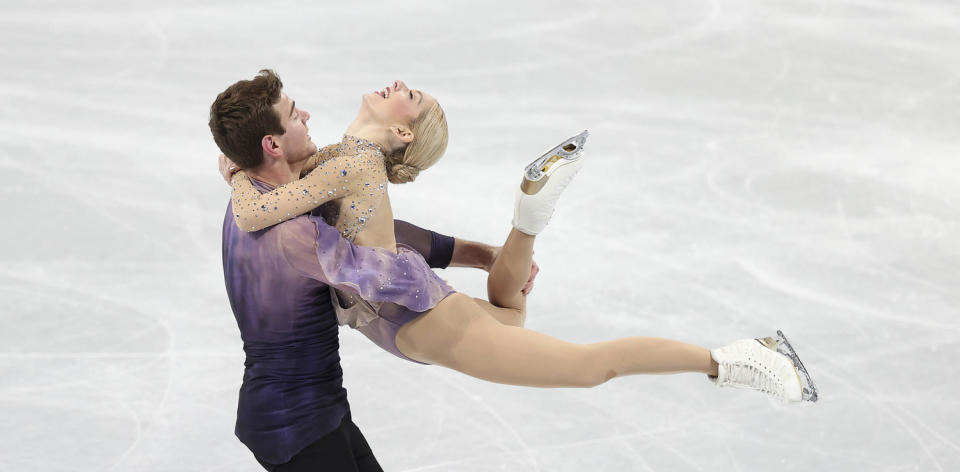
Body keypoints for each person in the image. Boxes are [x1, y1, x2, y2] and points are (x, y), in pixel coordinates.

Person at [221, 72, 818, 402]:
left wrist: (235, 169)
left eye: (413, 97)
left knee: (591, 368)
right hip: (402, 306)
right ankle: (525, 222)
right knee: (512, 319)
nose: (400, 82)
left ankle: (734, 360)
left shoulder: (348, 164)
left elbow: (256, 211)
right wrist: (237, 165)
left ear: (401, 132)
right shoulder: (341, 158)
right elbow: (276, 188)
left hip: (407, 315)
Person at [211, 73, 532, 472]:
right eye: (294, 114)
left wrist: (478, 253)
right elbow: (380, 268)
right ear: (271, 143)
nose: (306, 117)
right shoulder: (296, 231)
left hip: (318, 406)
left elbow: (360, 221)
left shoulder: (273, 194)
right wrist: (460, 304)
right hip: (294, 420)